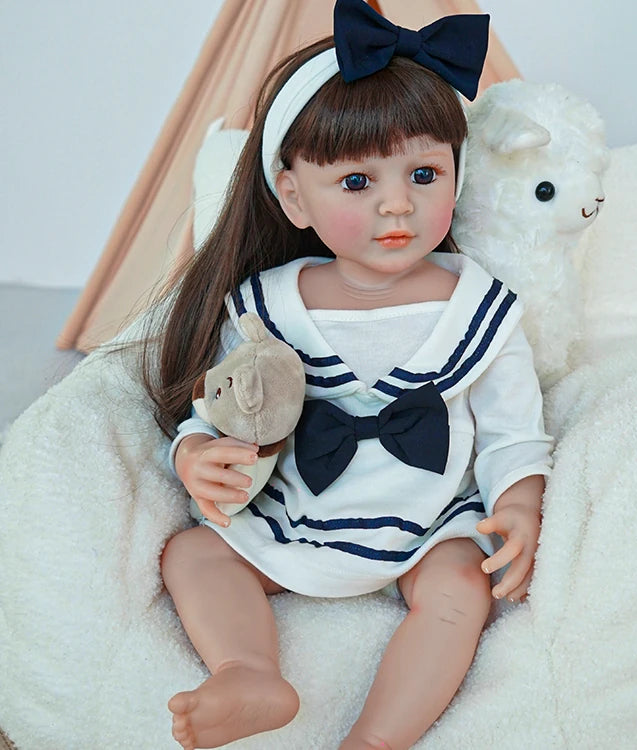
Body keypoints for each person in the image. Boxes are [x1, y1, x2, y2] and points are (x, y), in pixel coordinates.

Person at [150, 1, 554, 747]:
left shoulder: (479, 306)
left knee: (461, 589)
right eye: (357, 183)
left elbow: (511, 433)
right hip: (295, 514)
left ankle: (374, 737)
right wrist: (197, 455)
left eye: (424, 173)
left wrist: (519, 508)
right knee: (192, 551)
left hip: (428, 524)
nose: (397, 203)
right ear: (294, 196)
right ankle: (248, 672)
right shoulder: (268, 305)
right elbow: (220, 407)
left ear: (457, 177)